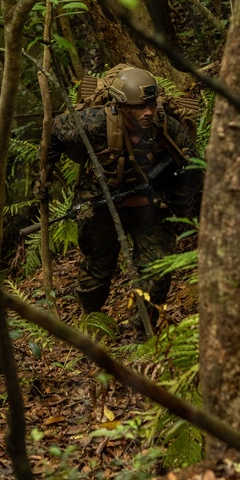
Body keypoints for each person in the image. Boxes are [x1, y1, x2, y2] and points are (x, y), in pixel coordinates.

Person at [41, 67, 200, 334]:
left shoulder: (165, 125)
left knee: (158, 266)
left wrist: (164, 201)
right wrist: (43, 177)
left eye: (150, 104)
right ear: (122, 107)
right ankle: (93, 320)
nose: (147, 112)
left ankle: (142, 331)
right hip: (101, 199)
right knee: (99, 268)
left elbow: (192, 170)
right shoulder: (94, 122)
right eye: (139, 107)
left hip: (150, 203)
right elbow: (53, 131)